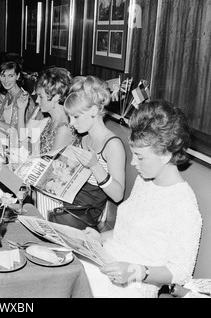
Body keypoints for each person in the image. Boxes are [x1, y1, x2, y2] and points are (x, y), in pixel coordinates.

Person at [80, 99, 203, 298]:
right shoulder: (145, 181)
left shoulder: (184, 204)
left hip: (132, 286)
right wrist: (99, 238)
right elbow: (132, 234)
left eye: (140, 156)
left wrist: (135, 271)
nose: (132, 162)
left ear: (164, 155)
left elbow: (180, 272)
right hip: (107, 263)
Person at [59, 75, 126, 221]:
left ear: (94, 111)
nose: (71, 123)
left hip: (83, 215)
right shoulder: (84, 138)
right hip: (67, 203)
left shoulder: (112, 144)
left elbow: (118, 195)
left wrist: (95, 166)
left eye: (75, 117)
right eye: (69, 117)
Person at [0, 59, 41, 137]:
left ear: (17, 76)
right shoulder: (8, 95)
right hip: (5, 139)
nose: (6, 80)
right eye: (3, 75)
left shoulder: (23, 97)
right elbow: (1, 121)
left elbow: (18, 131)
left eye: (11, 76)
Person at [31, 66, 77, 154]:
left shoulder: (64, 129)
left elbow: (50, 164)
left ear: (56, 97)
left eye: (41, 96)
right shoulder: (51, 120)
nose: (37, 100)